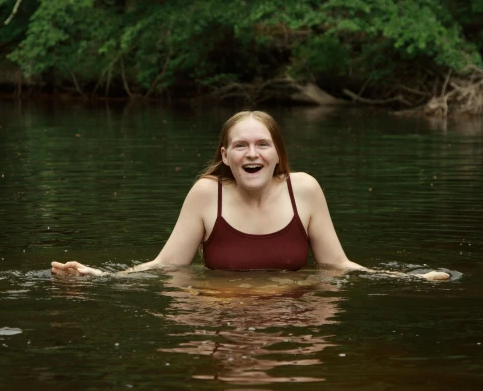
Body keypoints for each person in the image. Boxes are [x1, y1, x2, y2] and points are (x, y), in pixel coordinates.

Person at [52, 110, 449, 281]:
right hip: (220, 312)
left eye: (263, 144)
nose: (253, 153)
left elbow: (337, 267)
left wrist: (408, 280)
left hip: (290, 314)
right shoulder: (207, 195)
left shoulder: (304, 190)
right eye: (241, 146)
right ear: (225, 156)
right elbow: (166, 266)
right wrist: (100, 279)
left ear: (278, 154)